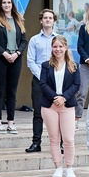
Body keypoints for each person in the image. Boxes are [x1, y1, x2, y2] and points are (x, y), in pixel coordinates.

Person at [40, 35, 80, 177]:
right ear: (52, 48)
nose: (58, 49)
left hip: (67, 105)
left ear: (66, 47)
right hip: (49, 106)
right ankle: (58, 167)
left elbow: (76, 85)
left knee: (69, 139)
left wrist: (64, 97)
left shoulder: (74, 66)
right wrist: (55, 98)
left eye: (60, 46)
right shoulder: (46, 65)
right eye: (55, 46)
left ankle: (69, 168)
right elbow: (42, 84)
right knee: (54, 138)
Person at [0, 0, 27, 134]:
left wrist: (16, 53)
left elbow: (24, 41)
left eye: (9, 3)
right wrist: (4, 53)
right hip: (0, 58)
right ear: (0, 5)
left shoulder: (19, 20)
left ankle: (11, 122)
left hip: (15, 58)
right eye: (4, 3)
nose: (6, 5)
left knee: (12, 91)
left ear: (12, 4)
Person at [25, 8, 57, 153]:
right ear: (41, 21)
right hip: (39, 80)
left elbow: (63, 58)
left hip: (56, 80)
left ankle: (59, 143)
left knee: (57, 112)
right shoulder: (34, 40)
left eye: (50, 18)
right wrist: (43, 77)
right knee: (38, 113)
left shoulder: (59, 39)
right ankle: (36, 143)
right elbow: (30, 61)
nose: (48, 20)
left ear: (54, 21)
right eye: (45, 18)